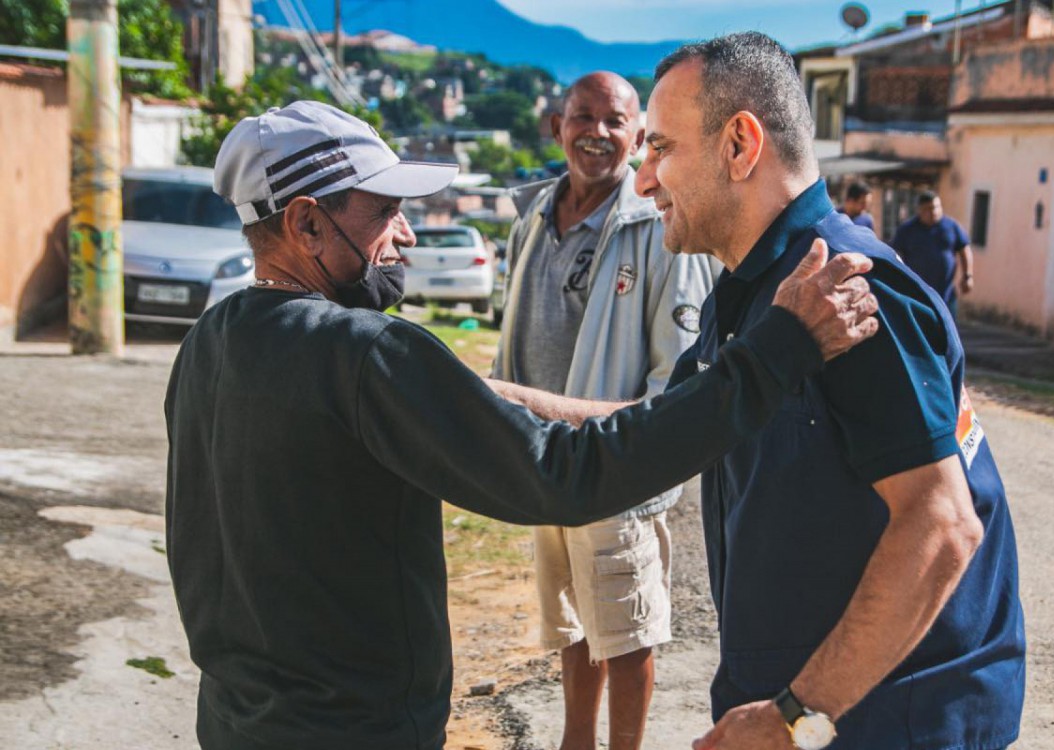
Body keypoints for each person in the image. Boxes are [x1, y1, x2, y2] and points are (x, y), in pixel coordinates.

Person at [164, 100, 879, 750]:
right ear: (306, 224)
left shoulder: (209, 343)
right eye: (384, 211)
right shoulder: (362, 353)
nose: (407, 233)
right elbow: (565, 475)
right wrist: (777, 352)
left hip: (232, 723)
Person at [631, 34, 1023, 750]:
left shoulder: (852, 289)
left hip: (889, 724)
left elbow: (942, 526)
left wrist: (797, 717)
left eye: (659, 149)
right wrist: (484, 403)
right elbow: (653, 428)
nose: (643, 181)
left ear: (740, 144)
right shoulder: (746, 297)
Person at [492, 71, 715, 750]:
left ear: (639, 136)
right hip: (543, 460)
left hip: (616, 465)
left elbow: (678, 375)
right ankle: (575, 742)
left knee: (626, 631)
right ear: (558, 126)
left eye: (615, 121)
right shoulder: (533, 216)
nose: (597, 133)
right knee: (571, 621)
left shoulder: (658, 225)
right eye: (582, 117)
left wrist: (646, 467)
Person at [890, 191, 974, 319]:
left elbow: (964, 250)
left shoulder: (951, 227)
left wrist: (967, 276)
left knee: (947, 333)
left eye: (936, 207)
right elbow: (895, 254)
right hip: (917, 295)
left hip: (946, 295)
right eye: (928, 208)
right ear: (919, 210)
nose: (933, 211)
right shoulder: (907, 230)